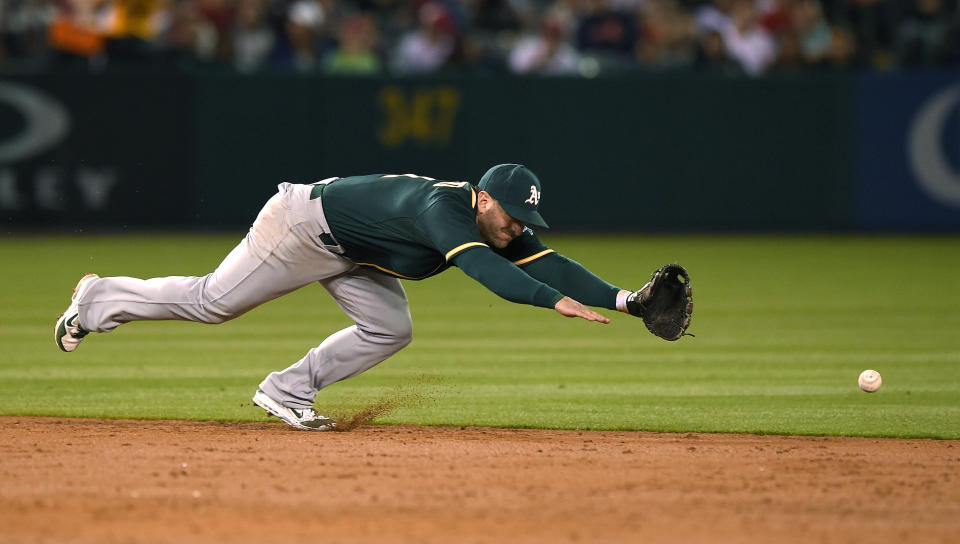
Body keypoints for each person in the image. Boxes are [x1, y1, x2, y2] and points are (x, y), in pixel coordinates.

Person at [54, 164, 645, 431]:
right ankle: (98, 299)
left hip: (355, 250)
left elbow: (554, 263)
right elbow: (492, 275)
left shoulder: (496, 221)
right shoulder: (444, 213)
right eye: (514, 216)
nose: (519, 227)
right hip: (302, 226)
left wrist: (626, 301)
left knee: (391, 327)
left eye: (526, 219)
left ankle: (287, 389)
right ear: (485, 199)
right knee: (215, 302)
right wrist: (550, 302)